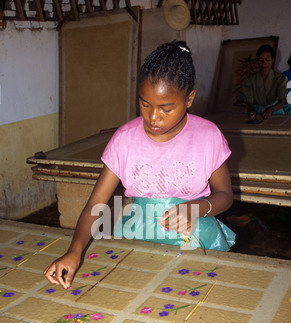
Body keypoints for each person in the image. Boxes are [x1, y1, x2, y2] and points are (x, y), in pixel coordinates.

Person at [44, 41, 235, 289]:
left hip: (196, 237)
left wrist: (196, 208)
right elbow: (96, 204)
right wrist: (75, 250)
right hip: (138, 236)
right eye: (145, 104)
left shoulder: (208, 136)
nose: (153, 117)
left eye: (166, 109)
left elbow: (225, 196)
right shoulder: (125, 140)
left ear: (189, 99)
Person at [242, 44, 288, 121]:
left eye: (267, 60)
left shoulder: (281, 79)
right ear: (257, 60)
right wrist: (251, 110)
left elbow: (282, 101)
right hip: (257, 113)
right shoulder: (249, 80)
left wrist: (269, 110)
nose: (264, 63)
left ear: (273, 60)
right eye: (261, 60)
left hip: (276, 112)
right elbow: (249, 101)